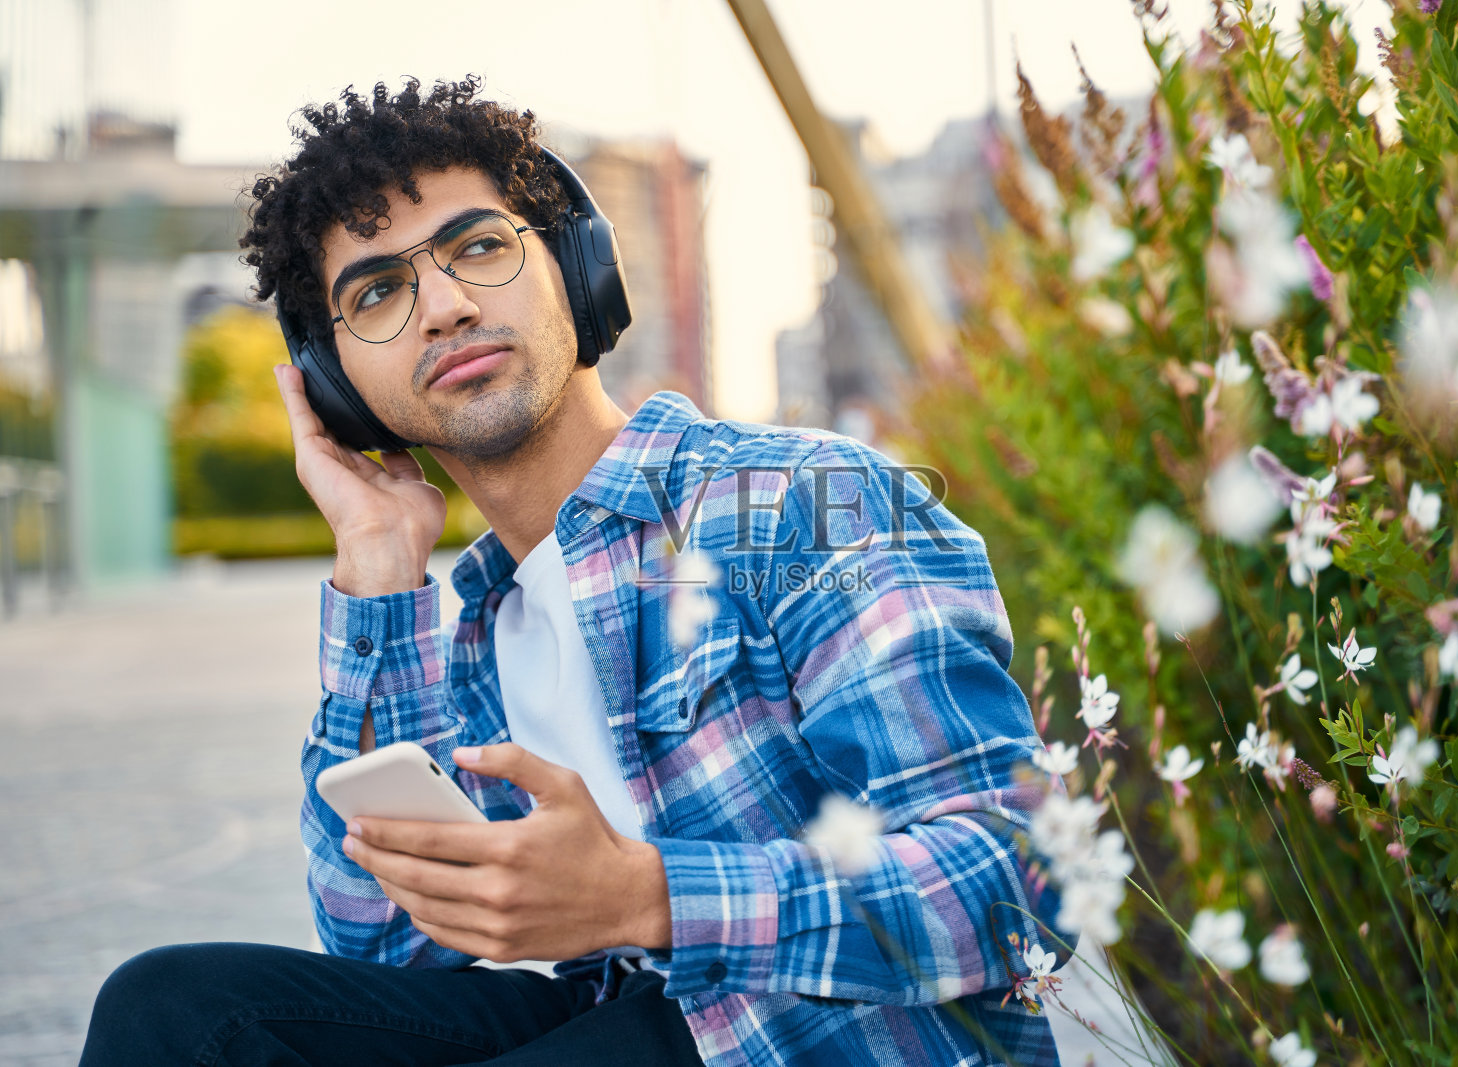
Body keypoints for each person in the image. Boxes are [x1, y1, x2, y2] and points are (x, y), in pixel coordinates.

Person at [80, 76, 1062, 1067]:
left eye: (478, 247)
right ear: (337, 385)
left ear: (574, 262)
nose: (445, 307)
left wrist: (645, 895)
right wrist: (377, 568)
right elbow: (387, 949)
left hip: (823, 1043)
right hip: (629, 1016)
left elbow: (1020, 886)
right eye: (377, 292)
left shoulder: (801, 503)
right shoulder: (475, 631)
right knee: (173, 1010)